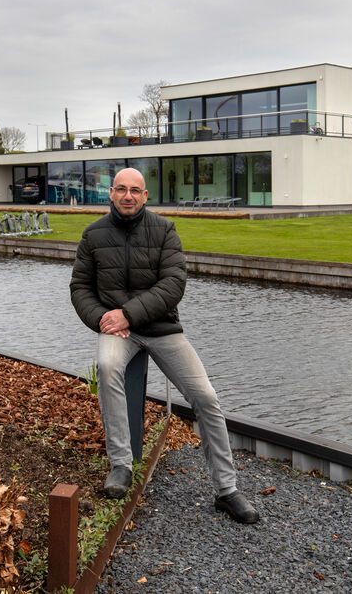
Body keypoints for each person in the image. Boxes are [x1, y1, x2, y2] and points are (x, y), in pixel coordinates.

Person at [69, 167, 259, 524]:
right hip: (117, 332)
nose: (128, 196)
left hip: (161, 328)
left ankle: (227, 489)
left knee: (205, 397)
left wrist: (127, 314)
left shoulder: (164, 230)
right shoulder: (93, 234)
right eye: (121, 189)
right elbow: (80, 287)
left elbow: (173, 284)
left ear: (145, 196)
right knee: (107, 367)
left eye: (135, 190)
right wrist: (103, 319)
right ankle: (121, 465)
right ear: (111, 193)